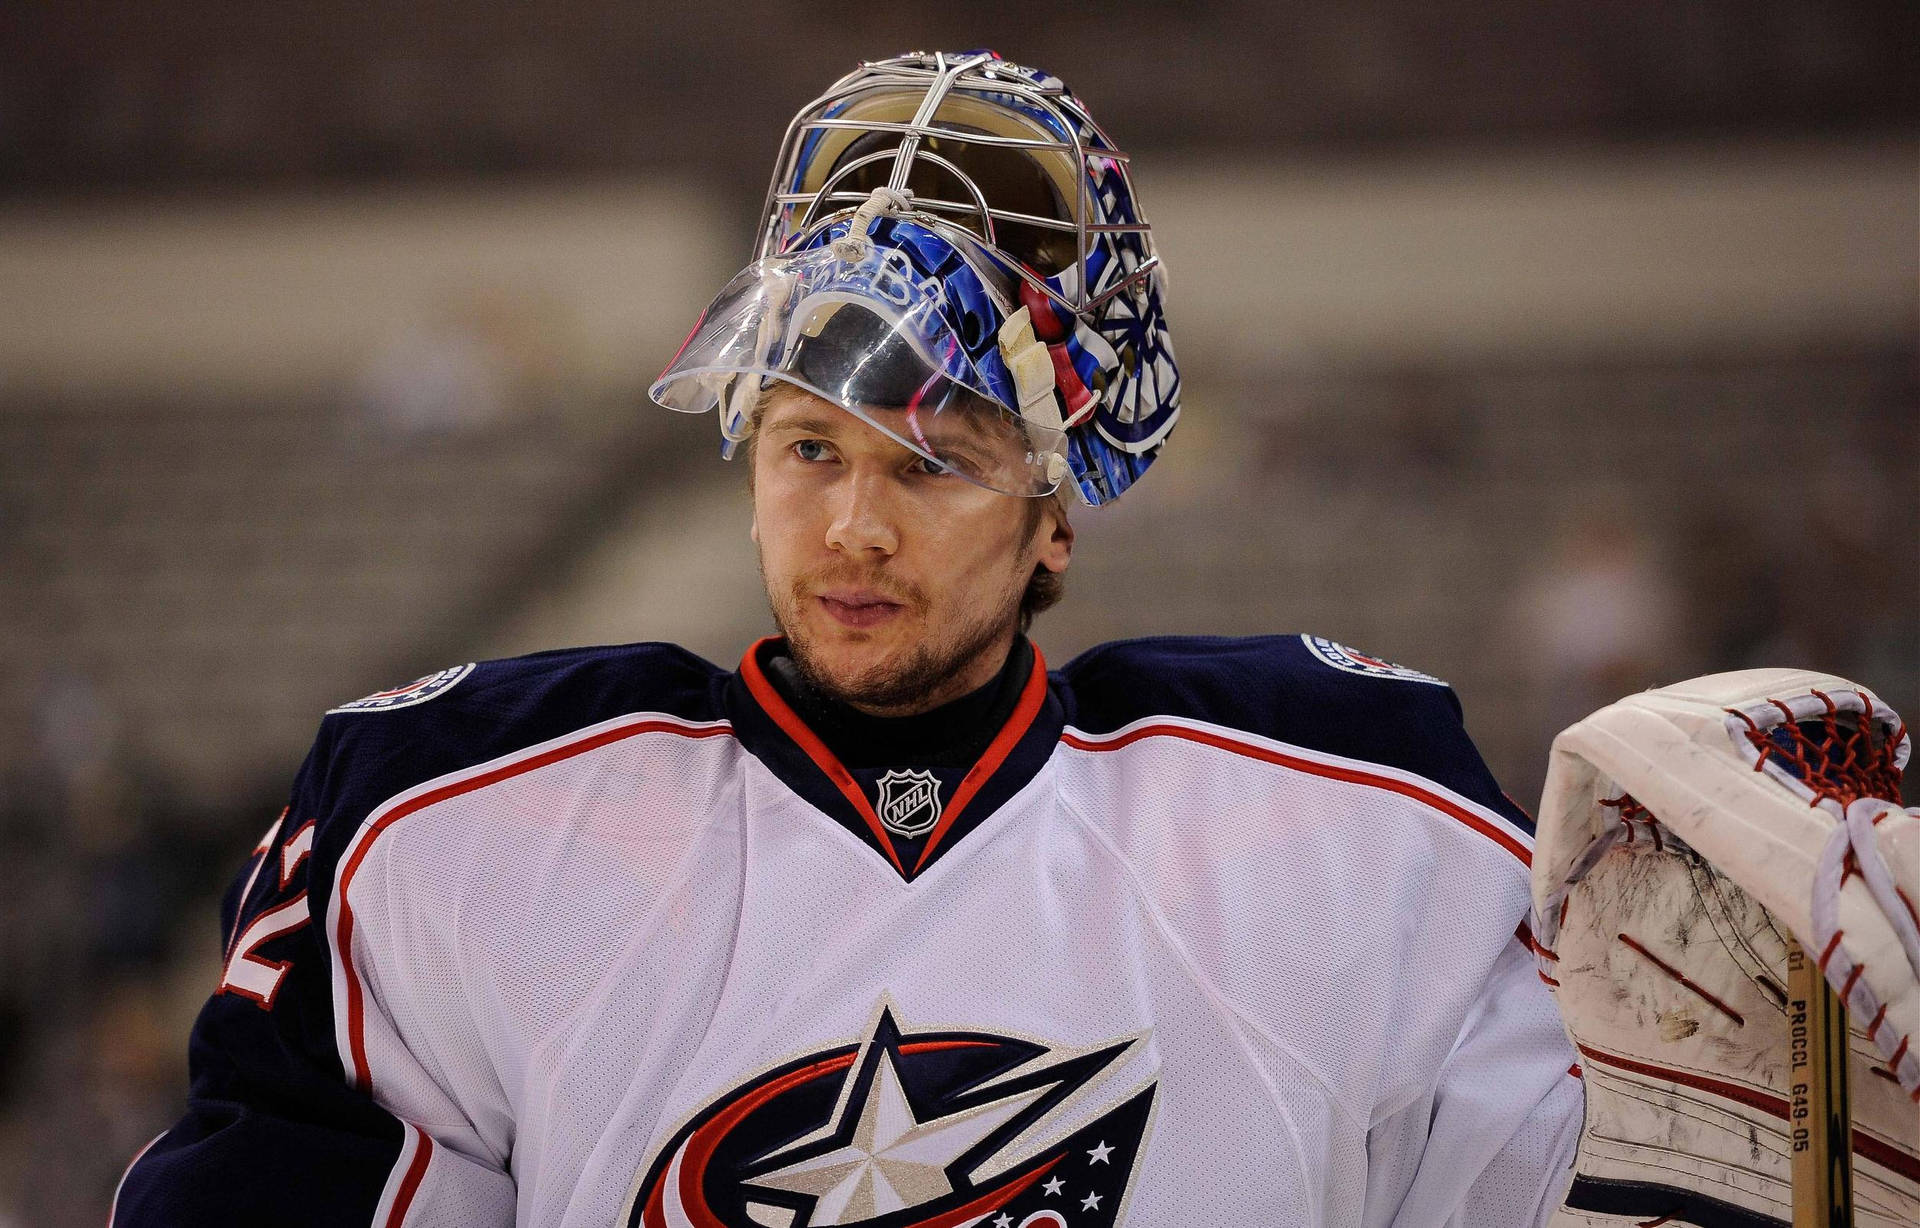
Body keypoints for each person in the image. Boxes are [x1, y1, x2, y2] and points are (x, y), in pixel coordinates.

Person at [114, 51, 1580, 1227]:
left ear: (1055, 518)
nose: (853, 529)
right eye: (809, 449)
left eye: (930, 461)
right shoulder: (446, 815)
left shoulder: (1357, 818)